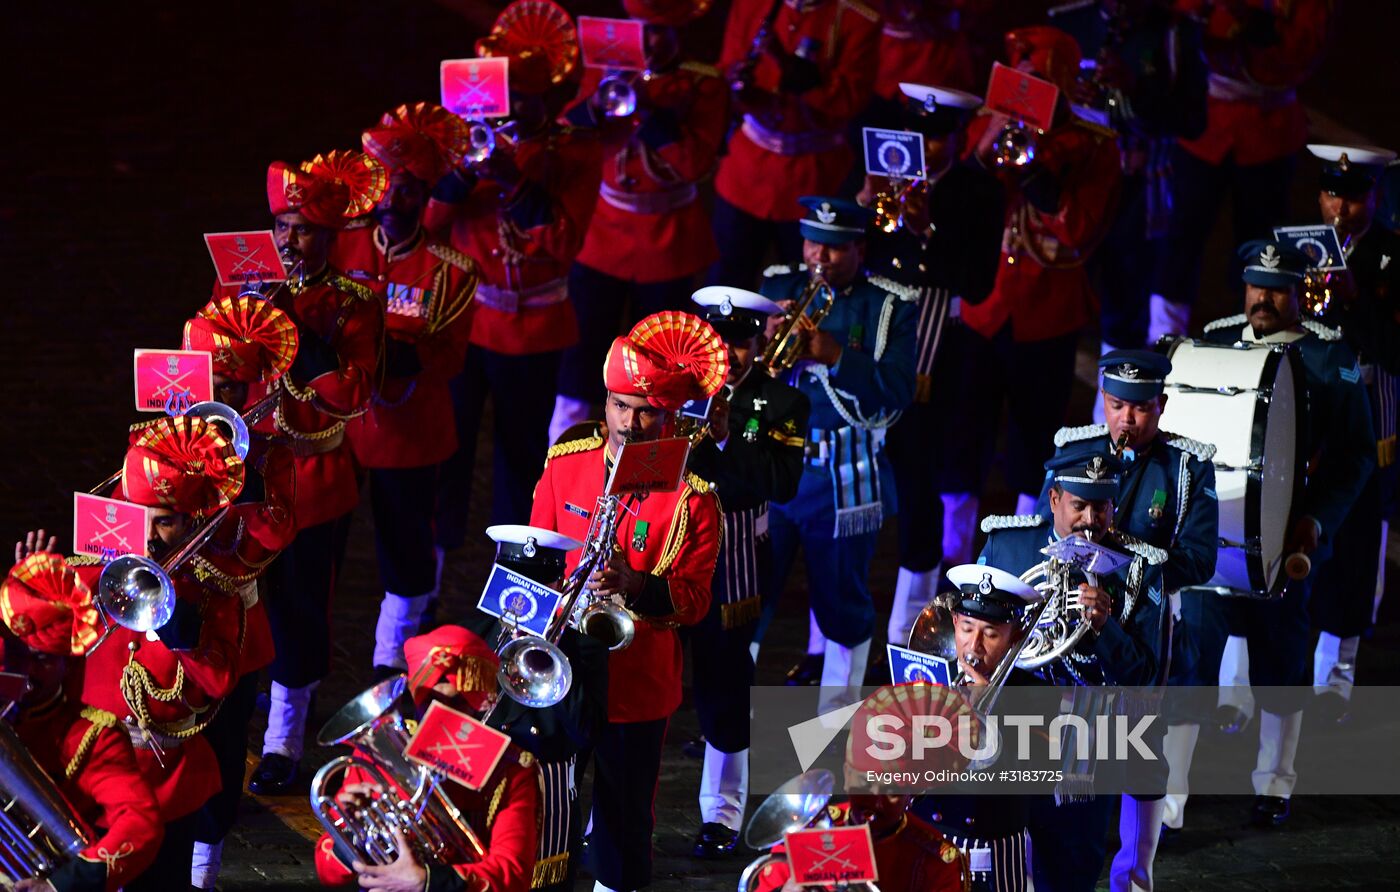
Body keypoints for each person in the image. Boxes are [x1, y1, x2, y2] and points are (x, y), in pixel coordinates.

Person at [528, 311, 723, 891]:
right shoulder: (566, 465)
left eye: (645, 412)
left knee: (623, 816)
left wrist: (635, 585)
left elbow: (694, 602)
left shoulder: (694, 497)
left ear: (667, 415)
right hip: (558, 669)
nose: (629, 424)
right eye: (618, 406)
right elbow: (532, 557)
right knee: (543, 809)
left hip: (637, 680)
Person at [1194, 239, 1375, 828]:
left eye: (1276, 288)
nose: (1263, 299)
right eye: (1254, 286)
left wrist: (1314, 522)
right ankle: (1166, 800)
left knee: (1282, 664)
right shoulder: (1216, 340)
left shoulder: (1328, 355)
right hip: (1216, 540)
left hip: (1285, 543)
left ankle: (1275, 783)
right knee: (1188, 662)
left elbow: (1354, 457)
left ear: (1300, 292)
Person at [1043, 348, 1219, 888]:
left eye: (1140, 408)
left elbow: (1199, 559)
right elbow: (1046, 533)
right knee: (1069, 749)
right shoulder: (1074, 449)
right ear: (1104, 399)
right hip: (1072, 620)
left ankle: (1134, 876)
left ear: (1161, 406)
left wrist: (1120, 557)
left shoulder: (1186, 465)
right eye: (1117, 405)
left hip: (1147, 623)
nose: (1127, 419)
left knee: (1142, 755)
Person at [427, 0, 602, 539]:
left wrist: (514, 182)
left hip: (533, 333)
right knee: (446, 448)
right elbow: (429, 224)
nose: (513, 111)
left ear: (550, 99)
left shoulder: (574, 152)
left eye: (526, 101)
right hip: (468, 325)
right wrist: (462, 173)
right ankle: (427, 575)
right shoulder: (468, 139)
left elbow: (562, 243)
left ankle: (513, 577)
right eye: (509, 99)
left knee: (520, 458)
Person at [246, 150, 388, 795]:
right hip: (247, 475)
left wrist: (293, 328)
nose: (288, 240)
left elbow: (354, 390)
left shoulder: (355, 302)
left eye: (302, 229)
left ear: (328, 236)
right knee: (243, 604)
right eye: (281, 226)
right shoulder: (241, 292)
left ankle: (283, 742)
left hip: (314, 480)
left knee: (302, 613)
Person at [979, 446, 1169, 892]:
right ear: (1054, 500)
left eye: (1100, 508)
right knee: (1000, 865)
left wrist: (1105, 628)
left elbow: (1143, 675)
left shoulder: (1140, 569)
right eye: (1078, 506)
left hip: (1083, 744)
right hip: (1010, 733)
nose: (1089, 520)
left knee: (1070, 871)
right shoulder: (1008, 545)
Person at [336, 101, 481, 676]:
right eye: (388, 189)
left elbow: (448, 359)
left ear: (427, 197)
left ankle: (392, 661)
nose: (396, 202)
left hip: (411, 434)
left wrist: (392, 353)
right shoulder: (341, 249)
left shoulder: (451, 271)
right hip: (343, 429)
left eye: (411, 191)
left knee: (406, 552)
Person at [958, 25, 1122, 522]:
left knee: (1034, 440)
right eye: (1019, 77)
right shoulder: (984, 125)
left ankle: (1024, 540)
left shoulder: (1094, 146)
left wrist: (1037, 176)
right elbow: (959, 211)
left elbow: (1079, 231)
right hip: (983, 308)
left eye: (1037, 79)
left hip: (1048, 316)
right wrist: (983, 156)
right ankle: (949, 550)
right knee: (963, 438)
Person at [860, 82, 1004, 643]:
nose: (926, 149)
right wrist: (862, 205)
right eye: (919, 136)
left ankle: (906, 632)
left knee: (919, 490)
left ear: (959, 137)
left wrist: (924, 231)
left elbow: (977, 281)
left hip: (932, 358)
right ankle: (828, 638)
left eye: (939, 138)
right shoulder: (883, 179)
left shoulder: (978, 193)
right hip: (867, 347)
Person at [756, 196, 918, 696]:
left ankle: (836, 718)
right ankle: (729, 723)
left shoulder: (887, 304)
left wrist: (834, 355)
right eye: (812, 244)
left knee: (841, 605)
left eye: (833, 249)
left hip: (841, 479)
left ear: (858, 248)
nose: (819, 258)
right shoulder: (777, 287)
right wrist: (763, 341)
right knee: (748, 601)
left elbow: (897, 393)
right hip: (773, 469)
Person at [78, 416, 248, 890]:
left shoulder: (214, 595)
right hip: (96, 774)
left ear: (191, 519)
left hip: (167, 780)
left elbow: (217, 683)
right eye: (142, 518)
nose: (150, 538)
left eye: (166, 521)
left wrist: (175, 619)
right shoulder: (95, 577)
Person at [550, 0, 731, 440]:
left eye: (659, 32)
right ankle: (563, 457)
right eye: (640, 30)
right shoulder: (607, 71)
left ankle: (659, 459)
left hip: (668, 242)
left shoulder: (703, 84)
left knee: (664, 365)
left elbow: (694, 163)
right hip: (603, 238)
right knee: (580, 357)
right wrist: (594, 106)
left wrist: (650, 113)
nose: (649, 42)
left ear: (678, 33)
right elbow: (563, 136)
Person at [180, 294, 300, 888]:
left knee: (224, 757)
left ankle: (204, 872)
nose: (216, 401)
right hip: (166, 629)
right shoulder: (158, 447)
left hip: (234, 631)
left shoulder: (268, 456)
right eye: (208, 385)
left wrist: (242, 475)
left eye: (229, 388)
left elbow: (273, 535)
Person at [685, 285, 809, 857]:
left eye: (740, 343)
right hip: (665, 548)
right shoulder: (676, 388)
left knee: (725, 685)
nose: (729, 354)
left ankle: (722, 813)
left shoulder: (781, 404)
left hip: (731, 558)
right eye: (719, 341)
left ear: (758, 343)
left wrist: (728, 434)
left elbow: (782, 485)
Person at [1152, 0, 1333, 338]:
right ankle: (1162, 333)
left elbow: (1306, 47)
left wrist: (1250, 25)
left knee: (1259, 247)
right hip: (1204, 125)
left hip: (1268, 134)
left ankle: (1255, 334)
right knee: (1179, 237)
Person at [313, 625, 540, 892]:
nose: (439, 720)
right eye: (428, 703)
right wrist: (350, 834)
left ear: (482, 704)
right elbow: (326, 869)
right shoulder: (376, 749)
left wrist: (427, 882)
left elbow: (512, 874)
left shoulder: (510, 768)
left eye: (456, 705)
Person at [1048, 0, 1209, 358]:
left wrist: (1135, 89)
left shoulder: (1176, 34)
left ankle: (1111, 411)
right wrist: (1066, 98)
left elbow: (1194, 122)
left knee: (1125, 312)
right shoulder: (1067, 21)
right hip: (1072, 191)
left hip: (1139, 194)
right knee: (1058, 302)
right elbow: (1030, 101)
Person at [1304, 144, 1400, 722]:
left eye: (1355, 195)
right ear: (1320, 196)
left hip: (1369, 416)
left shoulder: (1394, 257)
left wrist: (1355, 304)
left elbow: (1396, 352)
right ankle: (1267, 678)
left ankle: (1335, 681)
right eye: (1334, 193)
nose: (1342, 206)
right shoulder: (1300, 249)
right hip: (1310, 419)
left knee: (1360, 552)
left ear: (1376, 198)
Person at [1, 553, 164, 892]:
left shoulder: (93, 737)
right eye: (19, 659)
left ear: (68, 666)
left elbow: (140, 822)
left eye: (43, 661)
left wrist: (62, 885)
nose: (27, 675)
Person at [467, 524, 609, 892]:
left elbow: (587, 731)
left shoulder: (582, 646)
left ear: (555, 589)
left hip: (548, 797)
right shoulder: (476, 630)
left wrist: (554, 659)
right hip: (482, 784)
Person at [712, 0, 881, 289]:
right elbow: (728, 66)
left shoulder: (858, 18)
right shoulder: (751, 5)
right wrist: (740, 86)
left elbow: (849, 101)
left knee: (812, 284)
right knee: (726, 282)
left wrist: (787, 64)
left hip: (815, 177)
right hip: (746, 172)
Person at [909, 564, 1044, 892]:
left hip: (989, 853)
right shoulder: (929, 675)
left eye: (992, 633)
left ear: (1017, 636)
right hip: (924, 836)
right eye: (967, 627)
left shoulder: (1032, 694)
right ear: (954, 622)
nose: (975, 645)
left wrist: (987, 716)